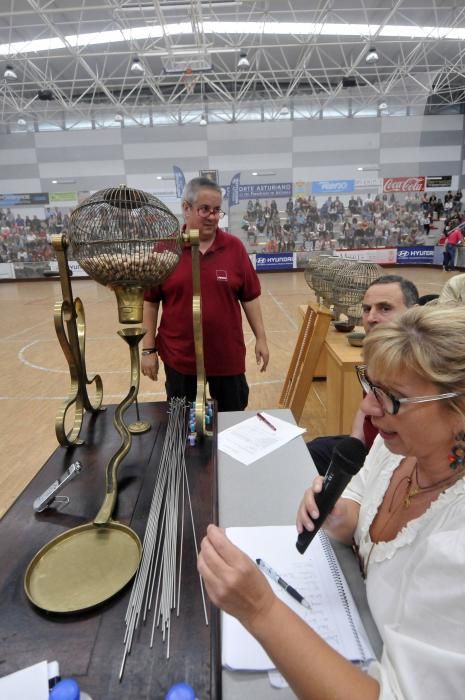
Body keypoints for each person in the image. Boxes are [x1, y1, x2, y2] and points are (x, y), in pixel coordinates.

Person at [198, 304, 465, 699]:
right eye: (370, 386)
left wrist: (261, 610)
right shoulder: (399, 447)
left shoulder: (455, 549)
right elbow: (360, 494)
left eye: (392, 398)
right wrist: (341, 516)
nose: (369, 408)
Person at [141, 177, 269, 411]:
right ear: (186, 208)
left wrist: (261, 338)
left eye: (217, 210)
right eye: (205, 209)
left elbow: (250, 297)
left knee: (231, 425)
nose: (212, 216)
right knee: (184, 427)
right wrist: (148, 349)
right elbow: (150, 302)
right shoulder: (164, 250)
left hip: (227, 357)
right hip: (180, 359)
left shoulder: (234, 248)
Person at [307, 274, 419, 474]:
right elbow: (365, 406)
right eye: (367, 309)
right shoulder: (376, 355)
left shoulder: (423, 368)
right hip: (369, 449)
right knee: (313, 451)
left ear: (415, 312)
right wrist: (356, 439)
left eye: (385, 308)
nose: (371, 318)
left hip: (397, 462)